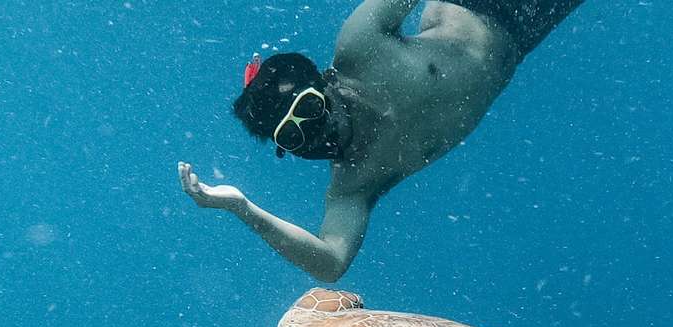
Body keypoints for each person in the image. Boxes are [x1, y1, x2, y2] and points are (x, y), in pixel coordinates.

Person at [178, 0, 584, 282]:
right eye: (295, 135)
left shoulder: (360, 49)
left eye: (310, 109)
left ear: (324, 82)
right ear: (289, 151)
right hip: (526, 34)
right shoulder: (354, 184)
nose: (318, 134)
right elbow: (330, 262)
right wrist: (242, 208)